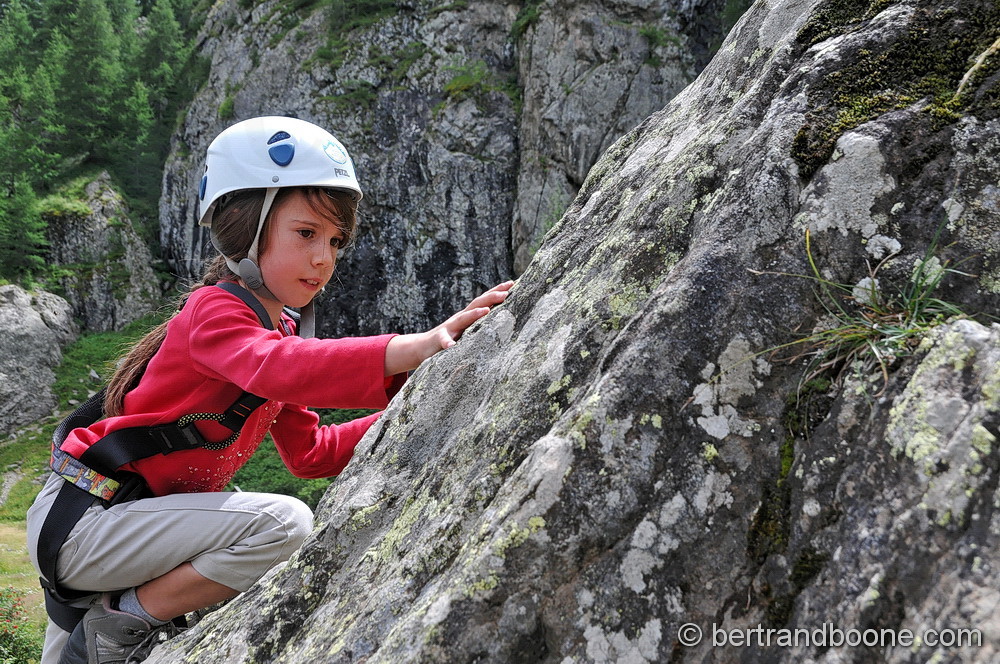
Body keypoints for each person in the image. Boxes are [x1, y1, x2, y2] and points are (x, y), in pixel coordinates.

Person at [25, 116, 514, 664]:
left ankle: (113, 622)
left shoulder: (276, 333)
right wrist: (412, 347)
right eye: (305, 234)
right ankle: (124, 621)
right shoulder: (215, 312)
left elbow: (309, 454)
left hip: (128, 528)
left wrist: (418, 399)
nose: (324, 258)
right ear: (244, 229)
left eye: (335, 240)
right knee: (286, 524)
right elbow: (277, 367)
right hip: (87, 525)